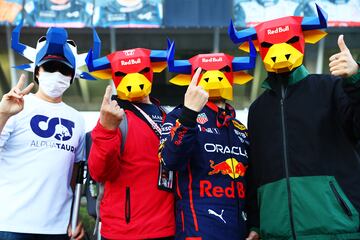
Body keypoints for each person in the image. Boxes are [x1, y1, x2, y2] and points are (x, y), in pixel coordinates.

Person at [229, 4, 360, 240]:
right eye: (268, 45)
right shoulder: (258, 109)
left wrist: (356, 80)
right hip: (276, 232)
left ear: (302, 41)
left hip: (337, 229)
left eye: (288, 41)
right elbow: (256, 171)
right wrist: (257, 224)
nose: (279, 51)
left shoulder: (332, 88)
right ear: (260, 49)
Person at [158, 40, 256, 240]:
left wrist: (254, 224)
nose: (213, 77)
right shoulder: (179, 116)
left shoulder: (239, 128)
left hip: (239, 232)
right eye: (204, 72)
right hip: (198, 231)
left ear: (233, 77)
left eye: (222, 70)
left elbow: (251, 181)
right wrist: (189, 114)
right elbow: (169, 160)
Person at [0, 24, 86, 240]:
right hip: (11, 223)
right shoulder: (14, 107)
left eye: (64, 69)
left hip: (57, 228)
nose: (57, 74)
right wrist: (3, 115)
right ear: (37, 71)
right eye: (50, 67)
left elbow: (74, 173)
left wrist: (74, 217)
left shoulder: (77, 119)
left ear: (72, 76)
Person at [86, 32, 175, 240]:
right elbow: (99, 171)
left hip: (169, 228)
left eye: (142, 71)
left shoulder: (167, 116)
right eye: (123, 74)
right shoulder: (114, 117)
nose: (133, 80)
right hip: (125, 232)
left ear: (153, 71)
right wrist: (106, 129)